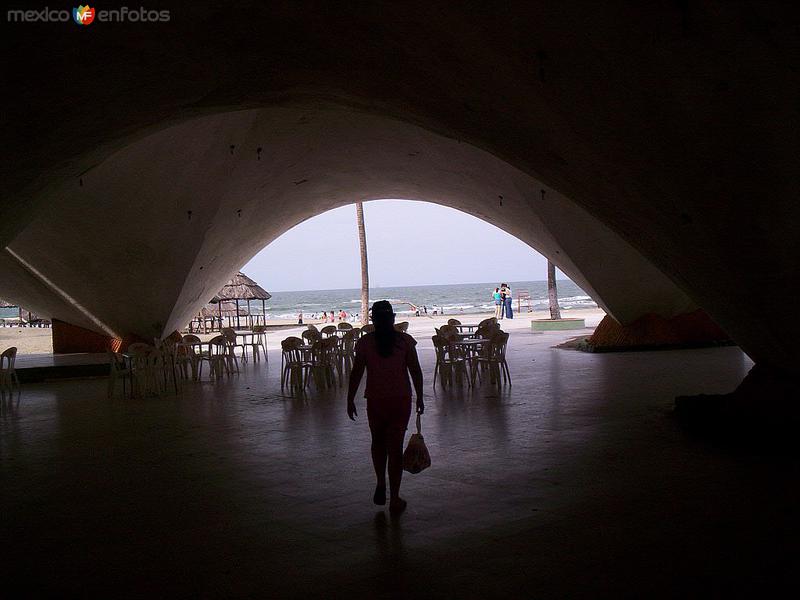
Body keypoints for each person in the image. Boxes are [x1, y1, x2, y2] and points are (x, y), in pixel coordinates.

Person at [347, 300, 424, 515]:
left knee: (378, 443)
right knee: (395, 448)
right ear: (392, 319)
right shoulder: (405, 342)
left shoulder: (365, 344)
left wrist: (350, 398)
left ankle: (381, 482)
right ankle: (395, 497)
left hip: (375, 400)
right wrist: (419, 397)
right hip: (400, 401)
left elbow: (357, 372)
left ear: (373, 320)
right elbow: (415, 371)